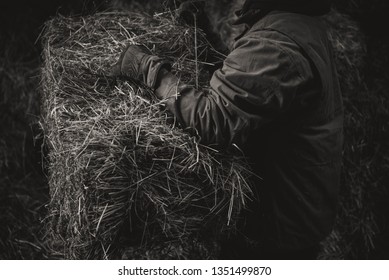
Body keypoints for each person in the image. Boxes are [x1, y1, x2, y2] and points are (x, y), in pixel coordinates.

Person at [109, 0, 343, 260]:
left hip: (277, 228)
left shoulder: (276, 45)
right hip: (296, 211)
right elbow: (251, 89)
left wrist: (148, 70)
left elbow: (215, 118)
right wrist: (204, 38)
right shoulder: (296, 23)